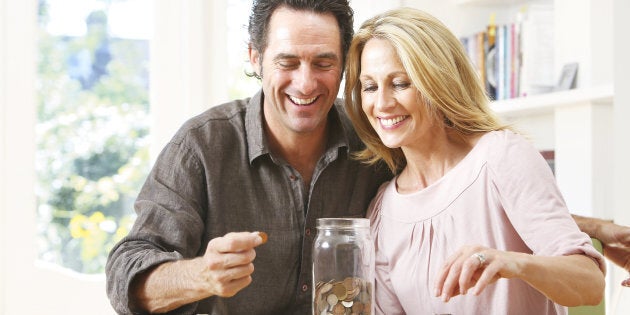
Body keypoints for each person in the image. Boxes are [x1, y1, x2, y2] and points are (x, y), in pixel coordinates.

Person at [105, 0, 390, 314]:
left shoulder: (376, 138)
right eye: (288, 62)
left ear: (344, 65)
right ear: (255, 57)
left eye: (323, 63)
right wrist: (201, 276)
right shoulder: (202, 144)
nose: (306, 83)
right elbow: (125, 273)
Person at [343, 7, 606, 314]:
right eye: (370, 87)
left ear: (437, 81)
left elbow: (589, 284)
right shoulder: (384, 211)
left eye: (400, 83)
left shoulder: (500, 157)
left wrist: (514, 263)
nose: (382, 104)